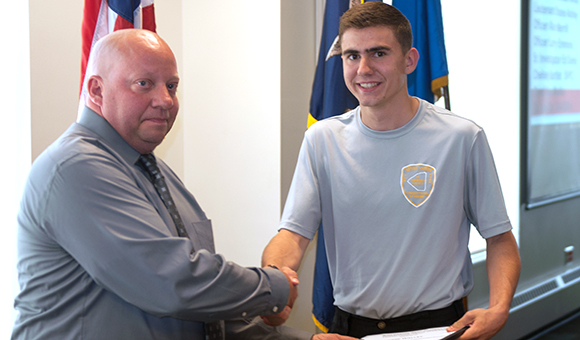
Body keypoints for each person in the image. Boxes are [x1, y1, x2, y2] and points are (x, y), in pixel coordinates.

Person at [12, 29, 356, 340]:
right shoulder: (76, 167)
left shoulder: (154, 171)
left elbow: (202, 312)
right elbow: (168, 283)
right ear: (96, 90)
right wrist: (273, 287)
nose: (165, 100)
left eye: (171, 86)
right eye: (144, 83)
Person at [262, 2, 521, 340]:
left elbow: (499, 238)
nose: (363, 68)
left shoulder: (462, 138)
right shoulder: (321, 139)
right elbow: (292, 235)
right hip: (349, 330)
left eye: (378, 53)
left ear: (409, 60)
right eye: (352, 56)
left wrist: (500, 308)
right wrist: (273, 280)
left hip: (438, 328)